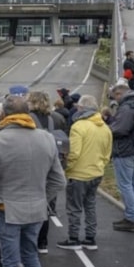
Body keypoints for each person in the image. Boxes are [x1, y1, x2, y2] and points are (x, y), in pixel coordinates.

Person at [0, 95, 66, 267]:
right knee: (31, 258)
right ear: (28, 113)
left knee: (9, 263)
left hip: (5, 210)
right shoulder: (47, 138)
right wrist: (42, 198)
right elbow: (59, 181)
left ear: (4, 115)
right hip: (36, 210)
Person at [56, 95, 112, 251]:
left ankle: (73, 238)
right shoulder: (105, 128)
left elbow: (74, 153)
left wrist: (67, 168)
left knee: (74, 207)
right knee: (90, 206)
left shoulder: (78, 126)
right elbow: (107, 153)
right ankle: (90, 238)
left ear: (81, 108)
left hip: (79, 173)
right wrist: (100, 165)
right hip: (96, 172)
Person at [26, 90, 69, 253]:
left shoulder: (29, 118)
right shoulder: (55, 118)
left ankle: (32, 239)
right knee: (45, 204)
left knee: (32, 200)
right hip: (51, 158)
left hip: (34, 159)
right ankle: (42, 241)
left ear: (33, 102)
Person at [107, 83, 134, 232]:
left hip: (124, 150)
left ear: (119, 94)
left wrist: (108, 129)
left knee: (126, 185)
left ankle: (131, 218)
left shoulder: (127, 106)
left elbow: (120, 129)